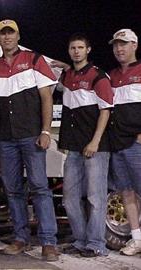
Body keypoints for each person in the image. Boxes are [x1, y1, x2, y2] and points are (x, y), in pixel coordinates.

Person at [0, 19, 59, 261]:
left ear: (18, 36)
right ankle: (20, 238)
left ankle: (48, 241)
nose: (7, 38)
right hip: (6, 139)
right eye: (2, 34)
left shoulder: (34, 59)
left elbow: (47, 98)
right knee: (13, 190)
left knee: (40, 187)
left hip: (32, 136)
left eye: (11, 33)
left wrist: (46, 132)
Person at [54, 33, 114, 257]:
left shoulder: (99, 76)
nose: (76, 51)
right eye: (73, 48)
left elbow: (106, 110)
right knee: (69, 199)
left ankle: (96, 244)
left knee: (95, 198)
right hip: (74, 148)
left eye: (80, 47)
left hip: (95, 147)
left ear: (88, 50)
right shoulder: (68, 75)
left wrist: (95, 141)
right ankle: (81, 240)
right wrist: (64, 66)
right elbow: (63, 80)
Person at [108, 29, 141, 256]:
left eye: (124, 44)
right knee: (127, 193)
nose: (120, 49)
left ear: (134, 45)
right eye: (116, 45)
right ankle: (137, 239)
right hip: (117, 145)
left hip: (137, 144)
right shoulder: (111, 76)